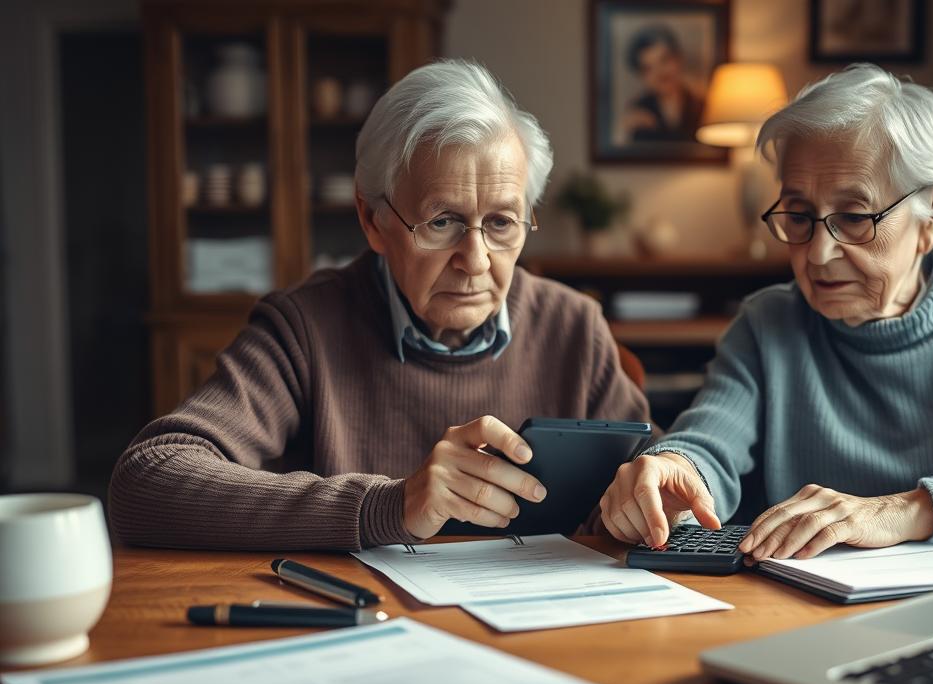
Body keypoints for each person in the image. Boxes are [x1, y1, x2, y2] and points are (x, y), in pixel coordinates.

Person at [110, 60, 650, 550]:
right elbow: (147, 479)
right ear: (374, 221)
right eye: (442, 222)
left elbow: (652, 480)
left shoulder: (574, 325)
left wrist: (660, 487)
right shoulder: (303, 330)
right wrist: (383, 506)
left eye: (502, 223)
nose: (476, 261)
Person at [599, 64, 933, 559]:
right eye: (798, 216)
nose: (816, 255)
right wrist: (673, 467)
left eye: (854, 217)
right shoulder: (768, 323)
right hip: (804, 610)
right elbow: (708, 442)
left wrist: (905, 510)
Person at [622, 25, 705, 143]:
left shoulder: (702, 106)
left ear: (679, 59)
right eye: (648, 68)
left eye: (664, 60)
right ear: (641, 76)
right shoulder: (637, 111)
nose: (660, 73)